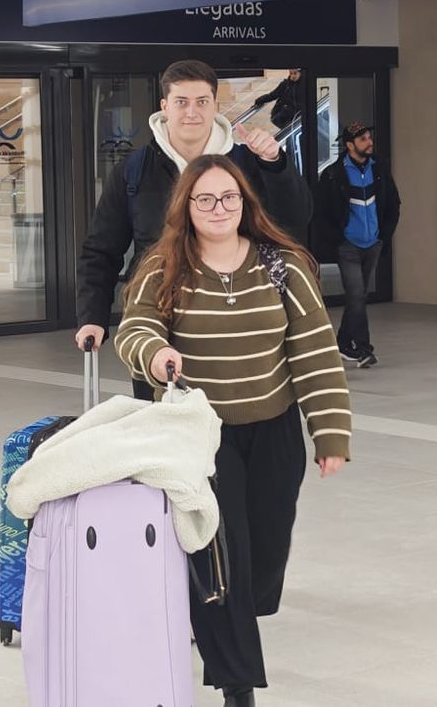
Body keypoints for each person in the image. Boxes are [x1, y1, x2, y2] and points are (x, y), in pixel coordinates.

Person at [116, 154, 349, 707]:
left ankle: (232, 614)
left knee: (264, 559)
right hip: (202, 439)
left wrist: (330, 433)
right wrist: (155, 353)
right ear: (186, 206)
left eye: (228, 197)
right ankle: (237, 685)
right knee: (224, 560)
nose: (218, 208)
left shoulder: (284, 267)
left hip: (274, 434)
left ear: (245, 203)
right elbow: (134, 328)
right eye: (205, 199)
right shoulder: (164, 267)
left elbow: (315, 354)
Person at [75, 59, 312, 399]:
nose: (192, 112)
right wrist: (92, 316)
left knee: (239, 415)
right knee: (163, 424)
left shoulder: (247, 162)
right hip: (159, 323)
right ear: (165, 106)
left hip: (238, 320)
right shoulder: (135, 170)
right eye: (181, 102)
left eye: (202, 102)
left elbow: (296, 218)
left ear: (215, 105)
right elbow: (102, 249)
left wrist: (275, 165)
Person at [312, 122, 400, 367]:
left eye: (369, 137)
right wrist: (338, 239)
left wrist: (384, 235)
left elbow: (393, 203)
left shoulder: (379, 168)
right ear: (349, 145)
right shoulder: (333, 175)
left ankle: (342, 342)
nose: (369, 142)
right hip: (348, 246)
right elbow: (320, 213)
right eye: (363, 139)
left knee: (358, 296)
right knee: (356, 295)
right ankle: (363, 350)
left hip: (373, 243)